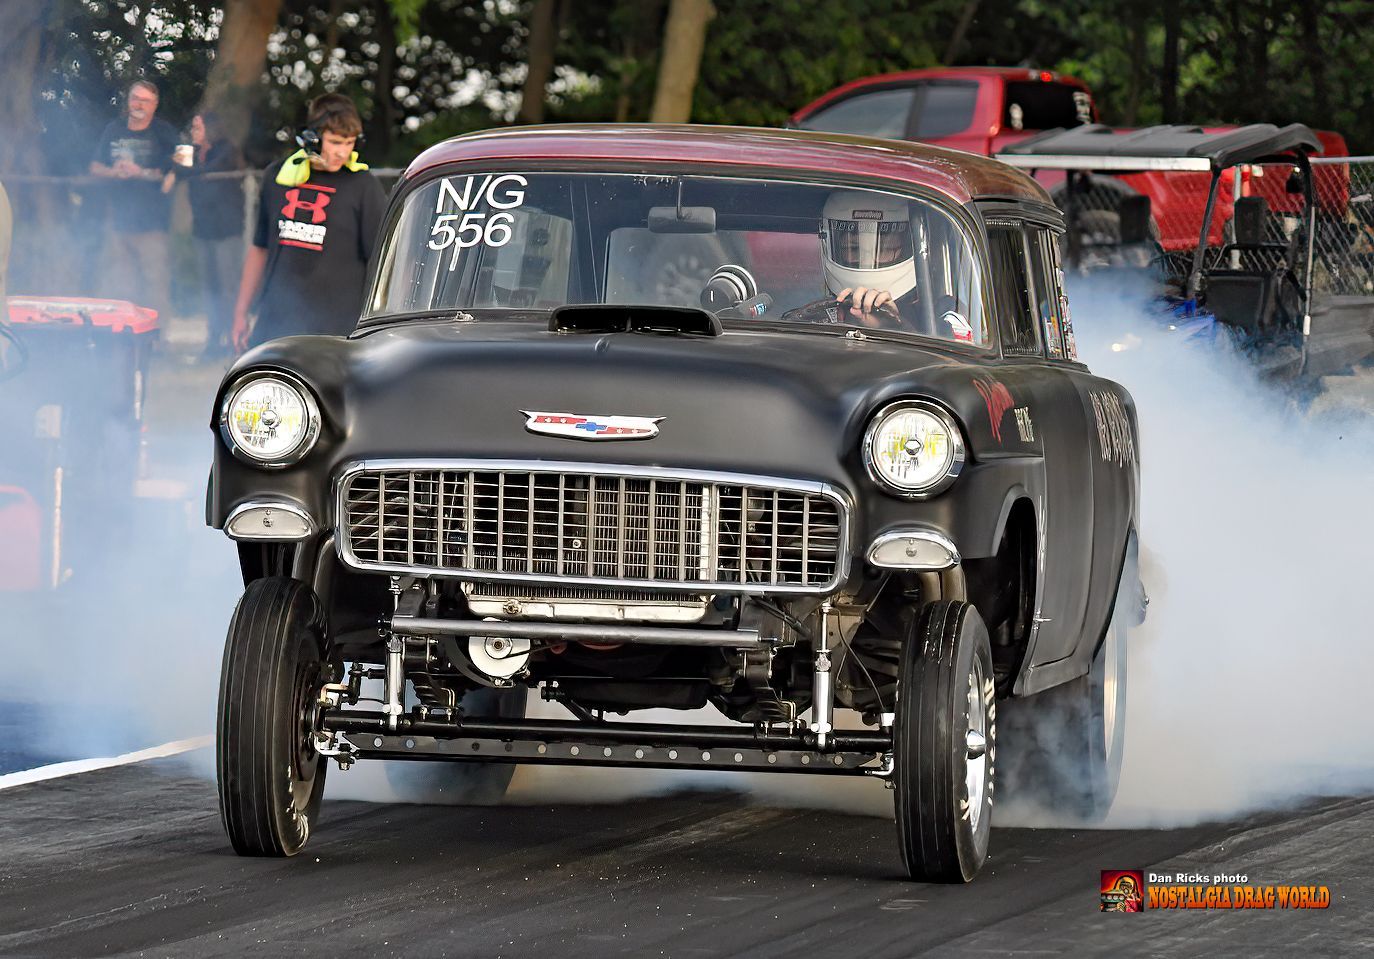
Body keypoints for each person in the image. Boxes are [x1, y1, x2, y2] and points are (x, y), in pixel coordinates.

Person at [232, 93, 387, 351]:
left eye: (349, 143)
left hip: (338, 329)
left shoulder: (363, 185)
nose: (343, 152)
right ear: (312, 139)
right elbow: (260, 248)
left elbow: (382, 261)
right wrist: (241, 312)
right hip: (277, 321)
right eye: (335, 141)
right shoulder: (277, 177)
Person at [89, 79, 178, 318]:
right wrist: (114, 172)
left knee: (155, 285)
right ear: (128, 101)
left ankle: (157, 340)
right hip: (118, 223)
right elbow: (95, 166)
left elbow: (183, 162)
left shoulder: (164, 132)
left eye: (145, 100)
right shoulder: (113, 129)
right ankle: (122, 338)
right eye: (135, 98)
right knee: (120, 285)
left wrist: (144, 173)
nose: (139, 104)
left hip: (153, 224)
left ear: (155, 105)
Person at [167, 112, 244, 359]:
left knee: (227, 286)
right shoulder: (188, 149)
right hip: (202, 228)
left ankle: (234, 339)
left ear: (211, 128)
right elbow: (178, 168)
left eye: (198, 126)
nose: (193, 130)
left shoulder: (226, 149)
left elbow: (209, 170)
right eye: (192, 126)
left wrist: (190, 169)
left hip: (227, 229)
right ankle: (213, 337)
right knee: (209, 286)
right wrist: (187, 164)